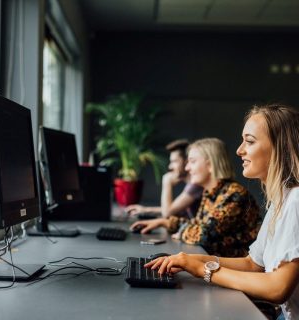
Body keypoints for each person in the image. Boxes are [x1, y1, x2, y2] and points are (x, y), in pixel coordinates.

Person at [145, 105, 299, 320]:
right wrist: (189, 259)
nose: (240, 150)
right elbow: (253, 264)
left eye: (250, 141)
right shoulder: (280, 201)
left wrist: (203, 270)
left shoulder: (295, 201)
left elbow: (277, 289)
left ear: (280, 148)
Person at [131, 138, 260, 258]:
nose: (187, 168)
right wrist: (164, 222)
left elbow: (204, 235)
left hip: (239, 274)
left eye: (192, 162)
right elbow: (197, 224)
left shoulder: (234, 194)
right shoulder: (210, 193)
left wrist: (181, 233)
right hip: (218, 266)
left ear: (210, 165)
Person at [125, 139, 203, 219]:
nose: (170, 166)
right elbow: (175, 209)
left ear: (186, 162)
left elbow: (167, 213)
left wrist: (166, 182)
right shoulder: (192, 184)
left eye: (174, 161)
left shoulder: (196, 185)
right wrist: (145, 210)